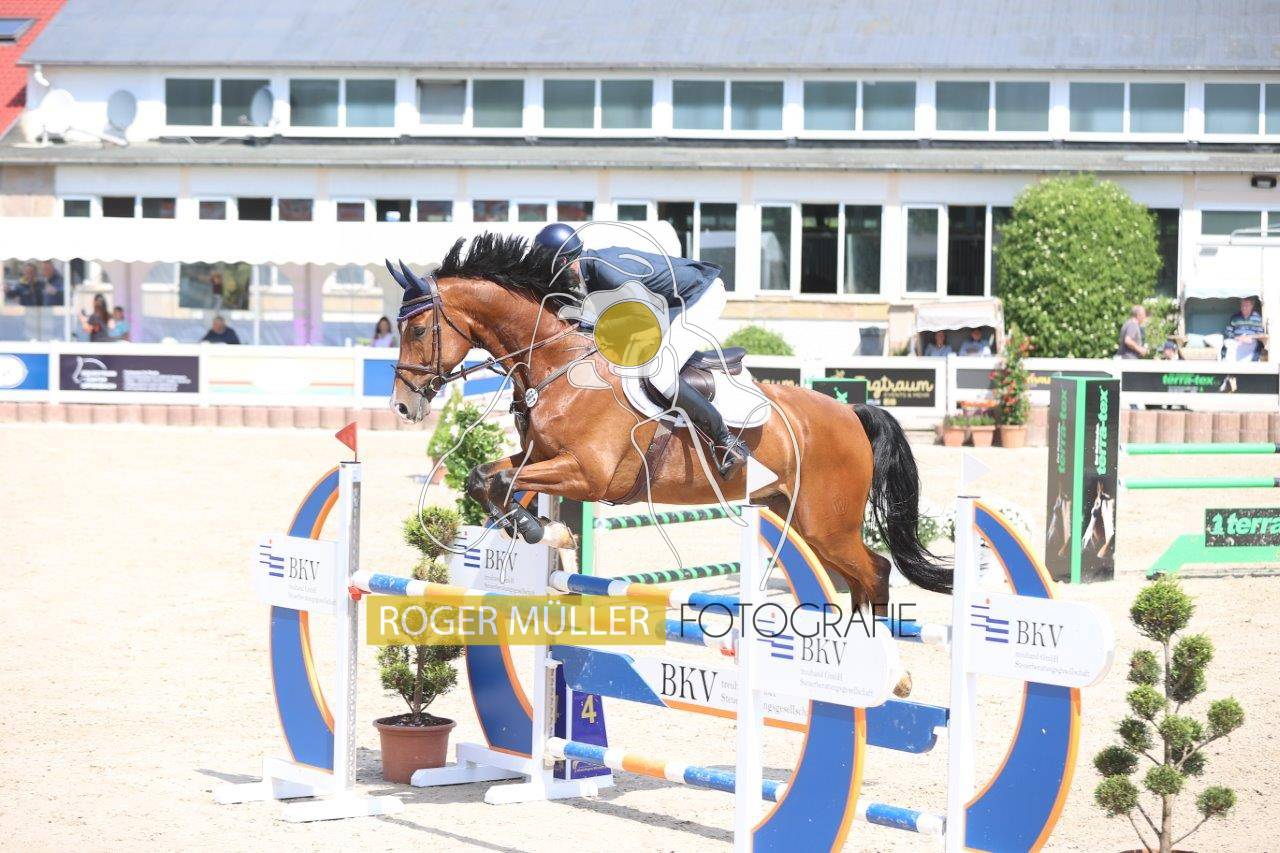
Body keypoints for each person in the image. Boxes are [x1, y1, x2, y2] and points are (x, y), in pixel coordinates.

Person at [533, 222, 747, 478]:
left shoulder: (608, 271)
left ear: (564, 262)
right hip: (669, 304)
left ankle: (727, 441)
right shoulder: (585, 274)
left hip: (701, 298)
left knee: (660, 375)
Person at [1223, 295, 1264, 361]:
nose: (1244, 307)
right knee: (1228, 345)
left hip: (1250, 341)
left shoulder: (1257, 318)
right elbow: (1228, 331)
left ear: (1252, 306)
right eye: (1242, 305)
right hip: (1237, 340)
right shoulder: (1235, 317)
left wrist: (1250, 337)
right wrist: (1237, 337)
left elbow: (1261, 334)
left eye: (1247, 305)